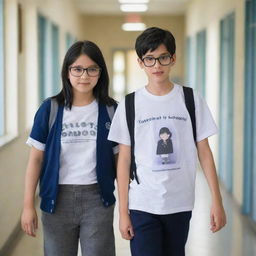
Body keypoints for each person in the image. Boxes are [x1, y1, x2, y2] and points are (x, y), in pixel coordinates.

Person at [108, 27, 226, 256]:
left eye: (163, 57)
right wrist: (123, 212)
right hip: (142, 202)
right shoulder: (130, 104)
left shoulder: (191, 99)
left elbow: (204, 151)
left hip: (180, 202)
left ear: (173, 58)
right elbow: (123, 160)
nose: (157, 66)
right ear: (141, 63)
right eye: (149, 59)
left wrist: (217, 200)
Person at [21, 40, 117, 256]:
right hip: (57, 200)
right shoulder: (50, 109)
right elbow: (35, 160)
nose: (84, 76)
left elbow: (120, 162)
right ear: (67, 72)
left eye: (92, 69)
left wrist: (128, 206)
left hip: (98, 199)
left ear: (100, 72)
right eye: (78, 69)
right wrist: (28, 206)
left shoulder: (111, 110)